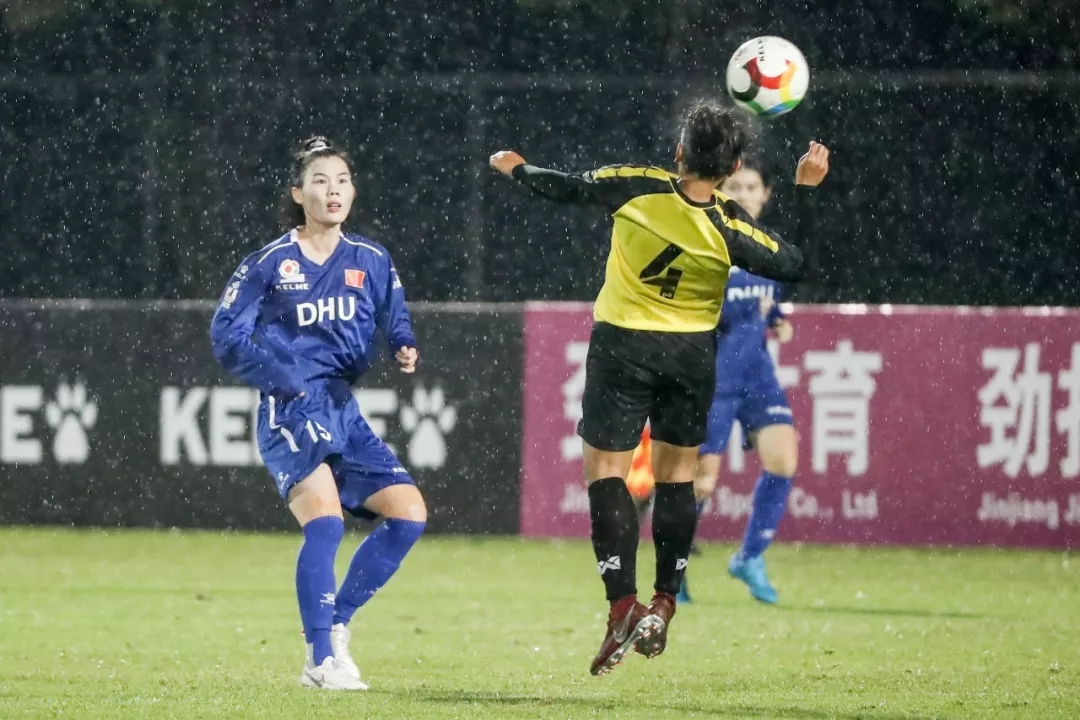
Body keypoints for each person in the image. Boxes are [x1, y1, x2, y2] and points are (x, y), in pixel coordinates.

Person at [490, 99, 830, 676]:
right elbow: (794, 262)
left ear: (678, 152)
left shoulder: (638, 186)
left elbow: (567, 187)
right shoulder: (729, 224)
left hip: (623, 346)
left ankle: (623, 604)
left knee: (607, 475)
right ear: (733, 167)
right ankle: (666, 600)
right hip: (690, 357)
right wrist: (806, 191)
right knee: (677, 480)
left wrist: (518, 168)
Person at [210, 137, 426, 691]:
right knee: (325, 522)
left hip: (339, 405)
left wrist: (402, 343)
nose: (333, 190)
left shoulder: (370, 258)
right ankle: (320, 659)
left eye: (342, 181)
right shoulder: (269, 263)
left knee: (408, 514)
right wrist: (281, 376)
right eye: (321, 181)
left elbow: (393, 311)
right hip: (289, 407)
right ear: (297, 193)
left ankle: (337, 623)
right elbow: (226, 335)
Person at [680, 162, 798, 607]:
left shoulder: (769, 247)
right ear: (720, 192)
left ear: (766, 194)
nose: (745, 193)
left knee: (783, 459)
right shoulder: (708, 244)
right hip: (715, 377)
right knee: (702, 481)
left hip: (757, 372)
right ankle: (674, 566)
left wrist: (777, 319)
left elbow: (767, 303)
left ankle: (749, 557)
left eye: (752, 186)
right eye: (735, 186)